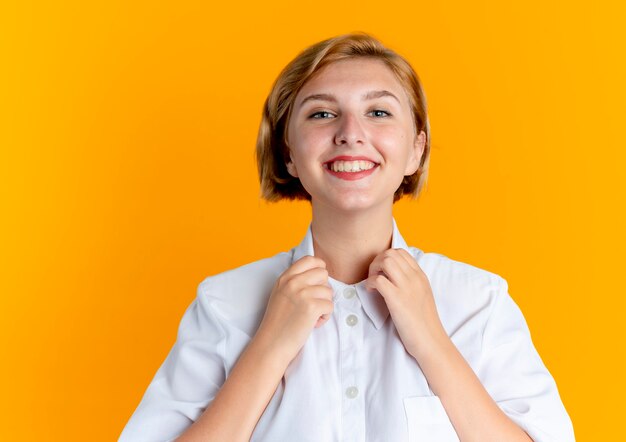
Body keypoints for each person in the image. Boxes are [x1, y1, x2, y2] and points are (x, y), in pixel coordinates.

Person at [119, 33, 574, 442]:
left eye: (378, 112)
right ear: (289, 153)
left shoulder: (479, 303)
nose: (350, 134)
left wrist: (433, 342)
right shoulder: (224, 306)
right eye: (322, 113)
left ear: (416, 149)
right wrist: (267, 348)